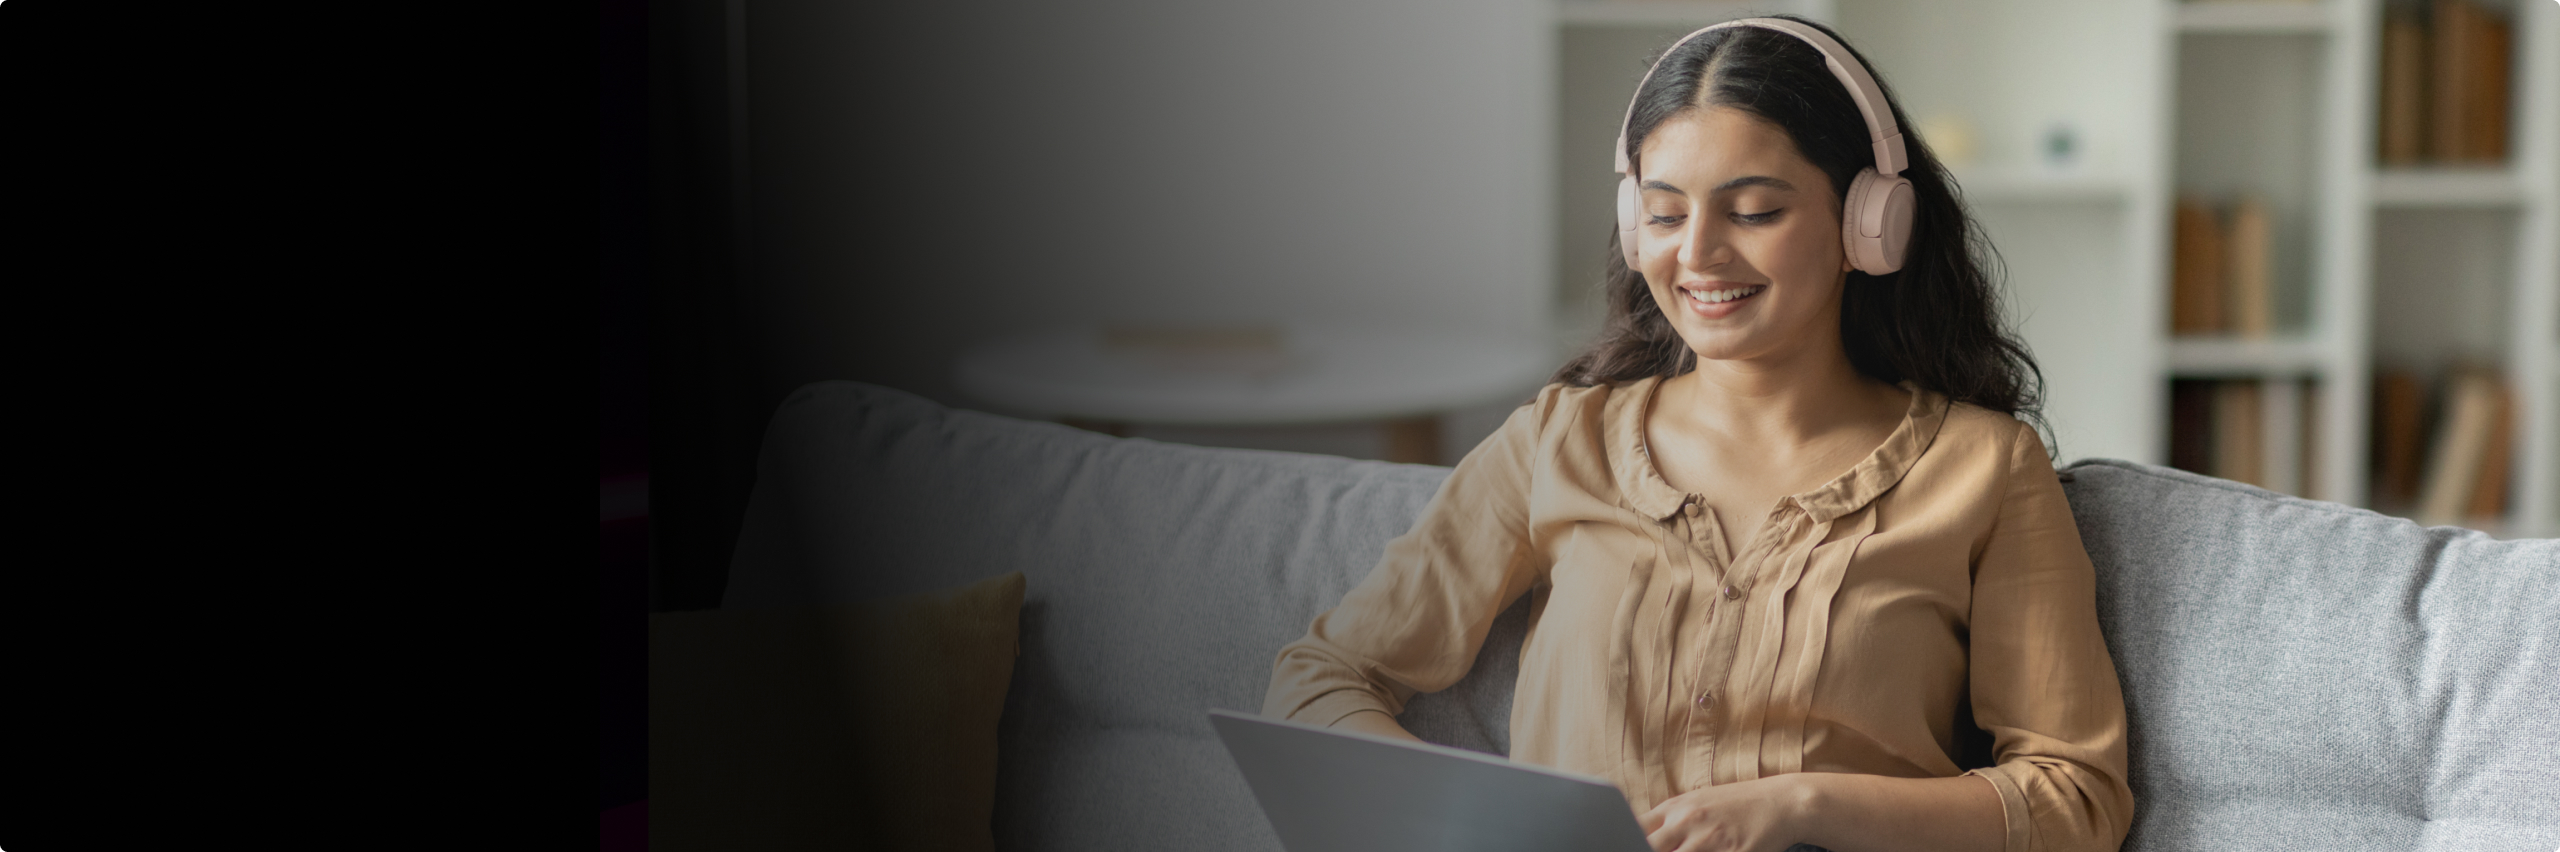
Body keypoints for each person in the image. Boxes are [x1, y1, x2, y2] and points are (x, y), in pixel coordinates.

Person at [1260, 16, 2133, 852]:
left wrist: (1802, 804)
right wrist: (1470, 820)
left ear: (1870, 223)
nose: (1699, 254)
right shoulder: (1561, 441)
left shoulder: (1984, 467)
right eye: (1666, 213)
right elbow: (1320, 677)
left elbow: (2075, 797)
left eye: (1753, 211)